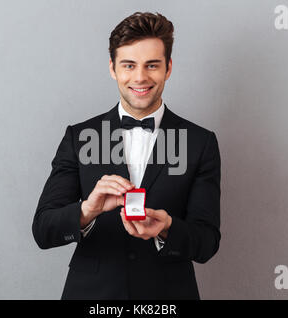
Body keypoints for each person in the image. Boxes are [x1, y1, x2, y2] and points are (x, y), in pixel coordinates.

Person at [32, 11, 221, 300]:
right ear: (113, 68)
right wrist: (87, 211)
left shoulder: (200, 142)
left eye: (152, 65)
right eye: (129, 65)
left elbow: (207, 243)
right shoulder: (79, 137)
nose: (140, 77)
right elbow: (43, 230)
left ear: (168, 68)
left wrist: (168, 228)